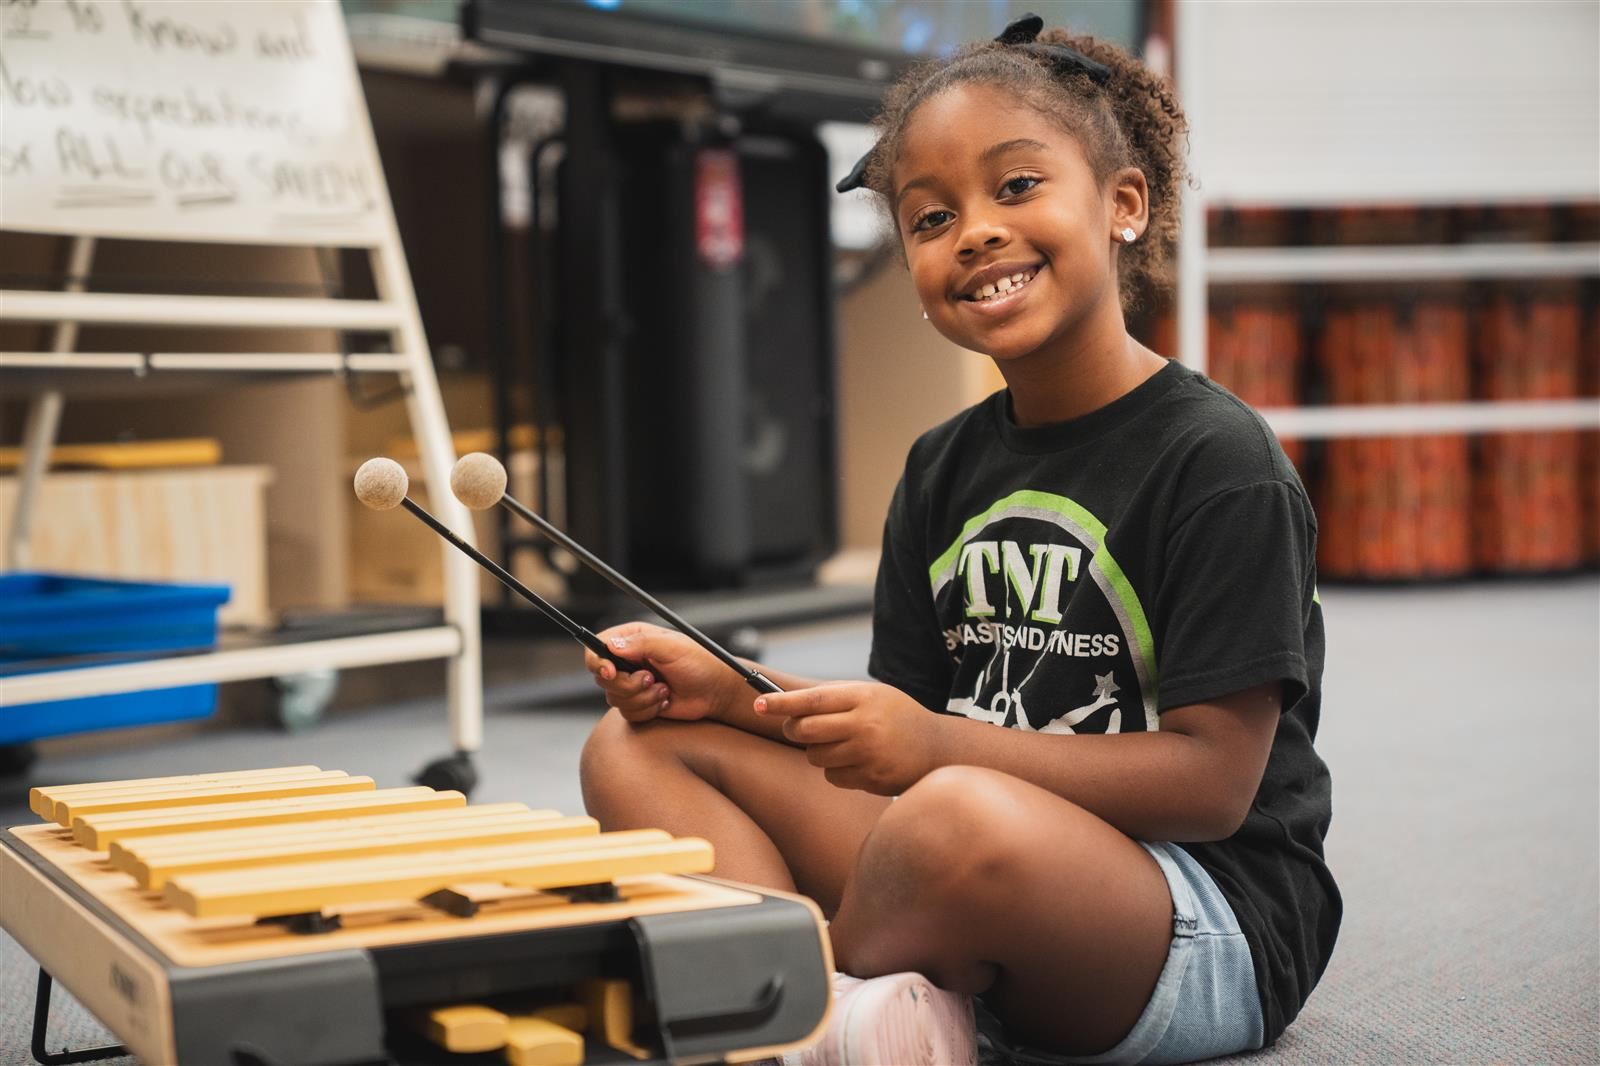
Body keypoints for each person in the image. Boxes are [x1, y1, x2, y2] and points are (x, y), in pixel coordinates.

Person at [580, 14, 1339, 1066]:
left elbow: (1211, 789)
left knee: (949, 818)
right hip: (971, 843)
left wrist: (934, 752)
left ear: (1124, 204)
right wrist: (733, 690)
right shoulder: (941, 466)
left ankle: (797, 1005)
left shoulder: (1218, 462)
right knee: (637, 745)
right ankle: (829, 998)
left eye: (1016, 187)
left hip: (1194, 918)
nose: (973, 231)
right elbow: (899, 739)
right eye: (930, 217)